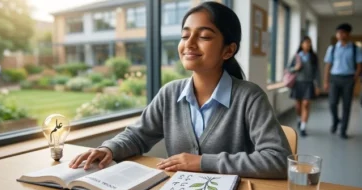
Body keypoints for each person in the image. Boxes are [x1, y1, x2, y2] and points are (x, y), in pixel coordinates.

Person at [69, 2, 292, 179]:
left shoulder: (249, 97)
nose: (190, 43)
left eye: (204, 36)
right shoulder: (170, 93)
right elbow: (138, 136)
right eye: (185, 36)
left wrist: (203, 162)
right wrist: (109, 149)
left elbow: (279, 160)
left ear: (228, 50)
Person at [323, 23, 362, 139]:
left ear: (347, 34)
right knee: (332, 103)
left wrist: (355, 77)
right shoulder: (332, 48)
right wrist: (326, 81)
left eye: (342, 32)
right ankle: (336, 121)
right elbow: (328, 65)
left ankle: (343, 130)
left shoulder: (355, 49)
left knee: (346, 105)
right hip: (335, 78)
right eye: (338, 32)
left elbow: (359, 65)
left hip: (349, 79)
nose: (339, 35)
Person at [288, 36, 320, 137]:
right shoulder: (296, 56)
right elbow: (288, 69)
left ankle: (303, 127)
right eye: (306, 43)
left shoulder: (313, 57)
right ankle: (299, 119)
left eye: (309, 43)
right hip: (298, 83)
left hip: (309, 84)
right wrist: (295, 68)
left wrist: (318, 85)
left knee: (306, 104)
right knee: (298, 106)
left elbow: (317, 72)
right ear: (301, 44)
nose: (308, 45)